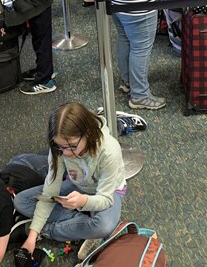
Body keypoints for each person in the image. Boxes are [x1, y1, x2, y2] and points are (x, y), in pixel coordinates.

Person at [15, 102, 127, 261]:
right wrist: (32, 237)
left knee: (105, 225)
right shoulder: (59, 149)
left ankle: (52, 230)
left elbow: (106, 198)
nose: (66, 153)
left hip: (108, 191)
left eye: (72, 146)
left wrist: (83, 202)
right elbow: (50, 191)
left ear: (87, 133)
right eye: (61, 147)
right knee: (21, 201)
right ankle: (82, 226)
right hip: (78, 185)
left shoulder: (109, 150)